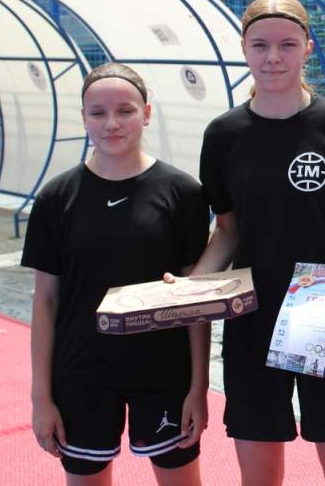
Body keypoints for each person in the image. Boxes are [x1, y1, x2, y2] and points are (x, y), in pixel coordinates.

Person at [190, 0, 325, 486]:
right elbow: (227, 231)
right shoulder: (223, 134)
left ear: (307, 48)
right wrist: (191, 287)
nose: (273, 57)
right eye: (260, 45)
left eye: (287, 44)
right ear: (244, 48)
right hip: (251, 317)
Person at [24, 62, 210, 486]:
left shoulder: (183, 192)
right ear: (83, 118)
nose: (111, 123)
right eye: (98, 113)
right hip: (81, 374)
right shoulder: (56, 197)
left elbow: (194, 301)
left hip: (164, 373)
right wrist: (41, 398)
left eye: (125, 111)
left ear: (146, 113)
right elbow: (46, 302)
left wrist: (197, 387)